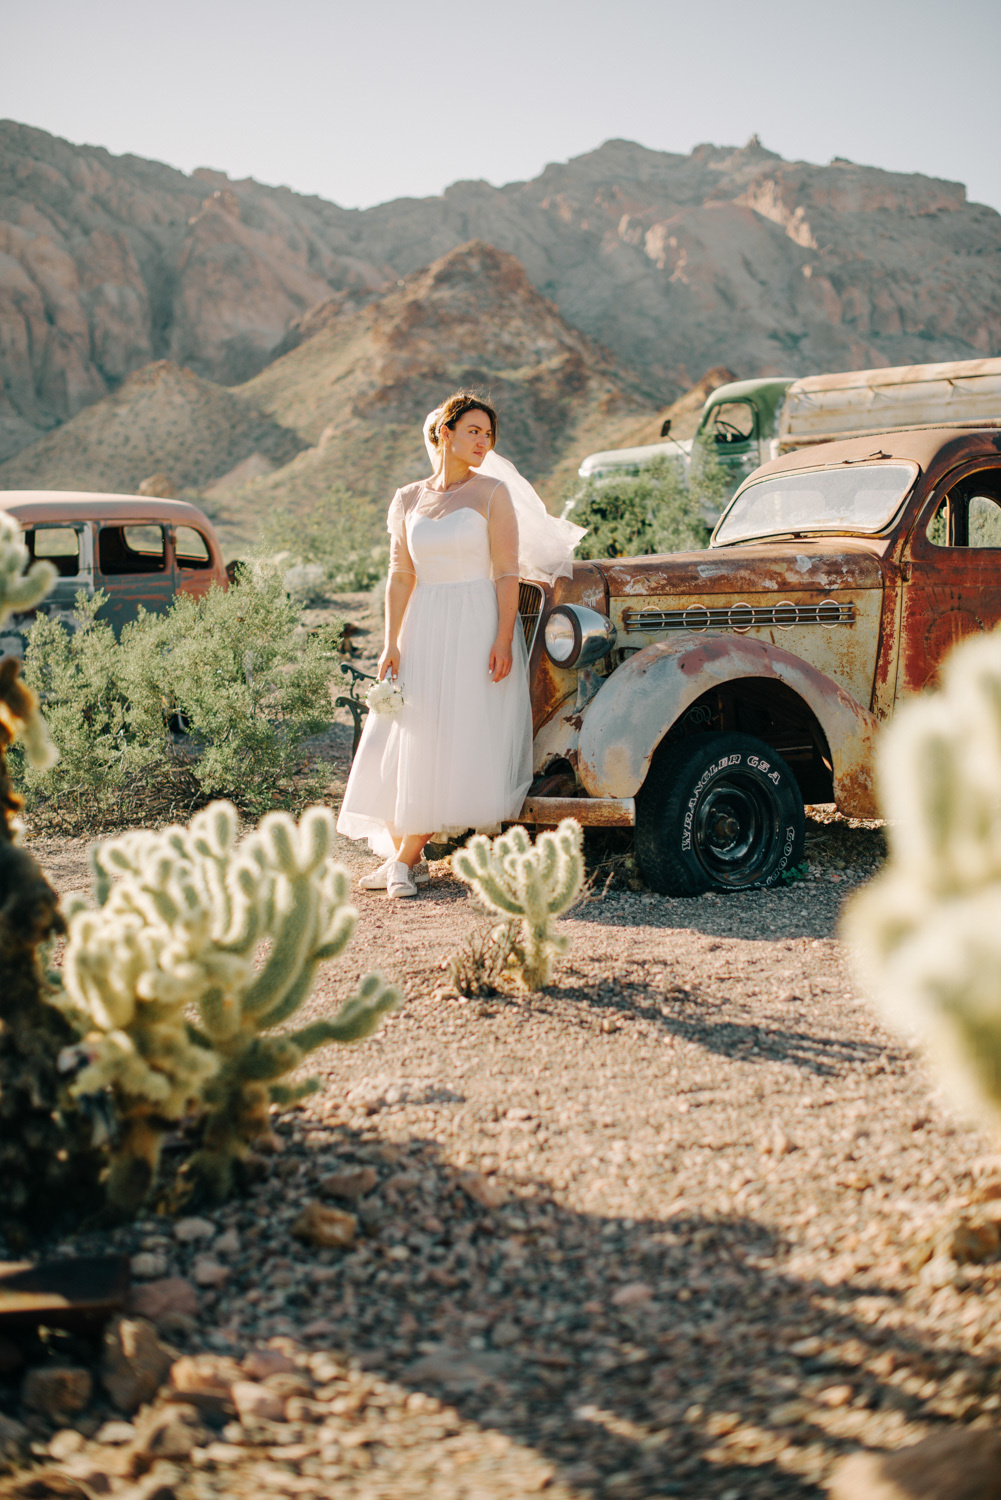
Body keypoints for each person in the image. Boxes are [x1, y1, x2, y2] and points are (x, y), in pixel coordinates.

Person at [336, 392, 584, 897]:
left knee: (452, 736)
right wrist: (390, 643)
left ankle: (404, 861)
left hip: (475, 621)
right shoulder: (407, 498)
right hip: (422, 621)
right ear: (444, 433)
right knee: (410, 733)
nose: (483, 442)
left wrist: (502, 638)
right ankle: (405, 860)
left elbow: (507, 572)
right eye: (473, 431)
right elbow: (400, 575)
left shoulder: (493, 493)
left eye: (488, 434)